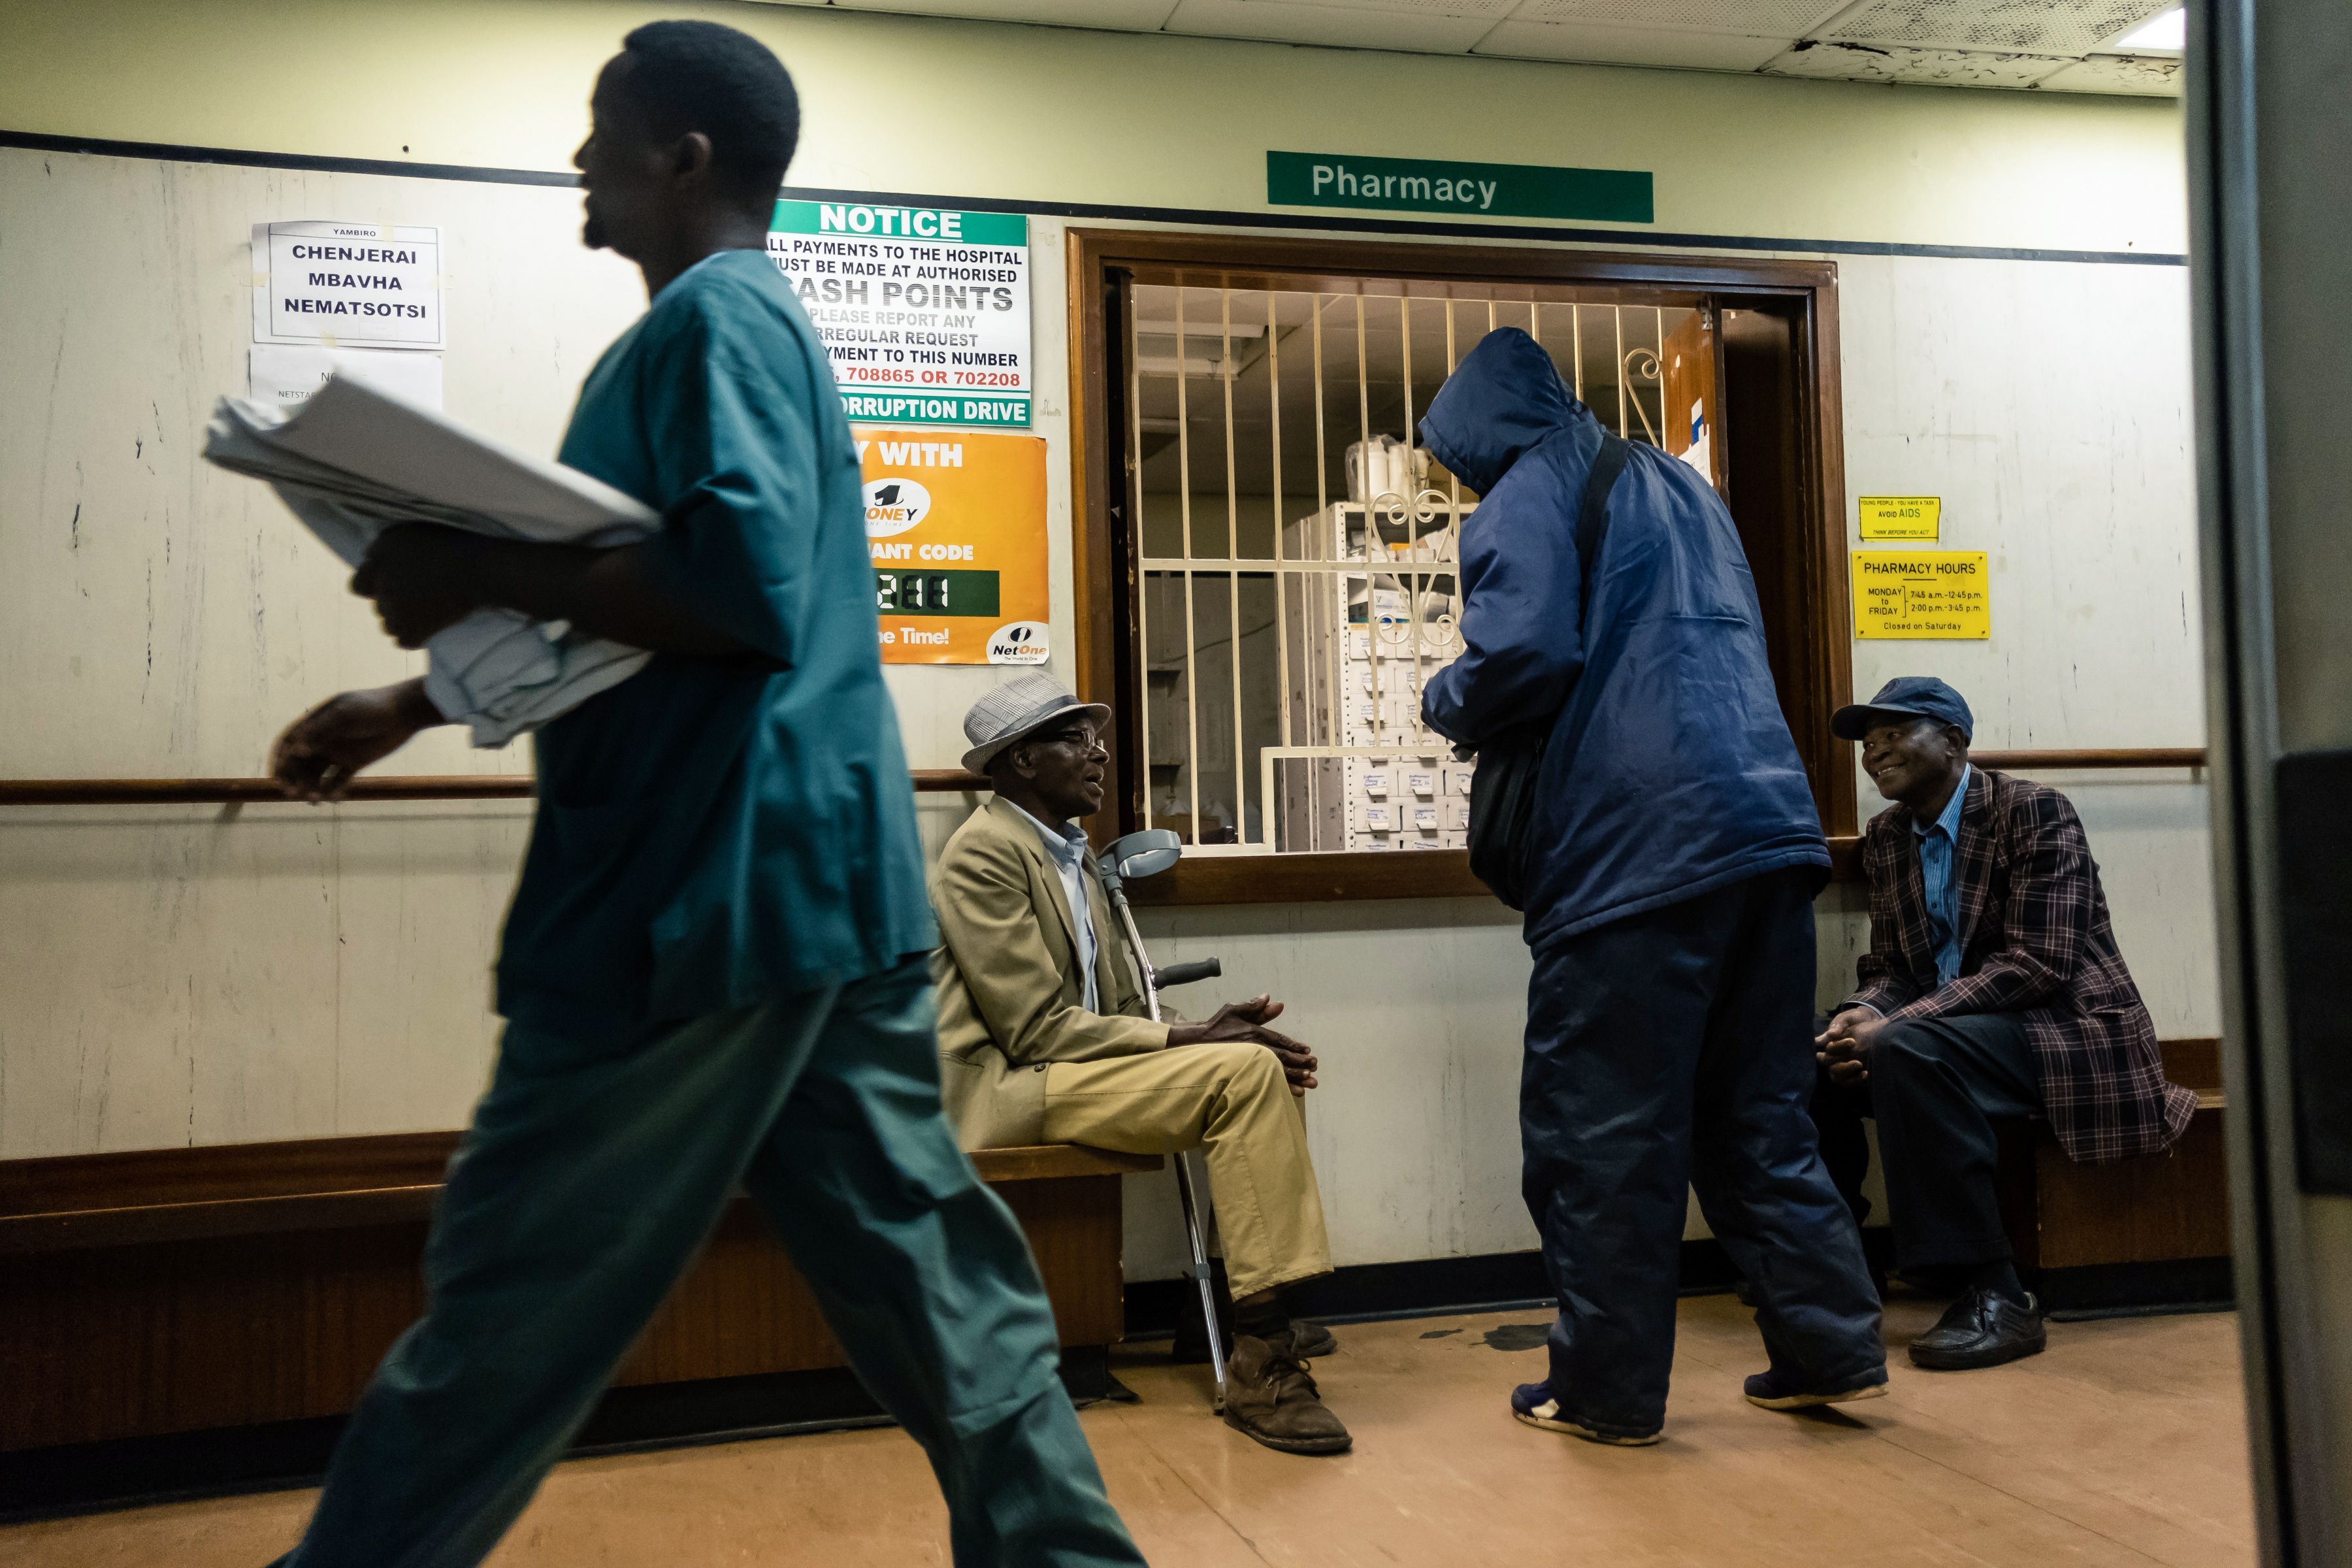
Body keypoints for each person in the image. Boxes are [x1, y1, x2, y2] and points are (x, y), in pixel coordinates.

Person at [260, 25, 1145, 1567]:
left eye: (602, 133)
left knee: (517, 1287)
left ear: (681, 156)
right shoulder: (752, 331)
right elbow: (655, 607)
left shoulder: (710, 325)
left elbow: (731, 591)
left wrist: (460, 560)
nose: (577, 162)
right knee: (936, 1279)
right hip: (825, 884)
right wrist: (411, 699)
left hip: (701, 899)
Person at [1418, 328, 1884, 1446]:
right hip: (1767, 829)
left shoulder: (1532, 486)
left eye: (1456, 460)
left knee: (1604, 1135)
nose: (1462, 481)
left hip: (1636, 848)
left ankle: (1604, 1393)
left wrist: (1444, 697)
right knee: (1759, 1114)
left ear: (1479, 435)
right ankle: (1830, 1350)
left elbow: (1524, 651)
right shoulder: (1683, 483)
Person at [930, 672, 1352, 1457]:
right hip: (1011, 1086)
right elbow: (1033, 1030)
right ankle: (1262, 1361)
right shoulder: (984, 854)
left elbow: (1120, 1013)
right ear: (1020, 762)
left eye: (1095, 740)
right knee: (1240, 1069)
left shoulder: (1073, 856)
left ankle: (1230, 1315)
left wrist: (1206, 1029)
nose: (1097, 756)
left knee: (1262, 1063)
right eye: (1074, 741)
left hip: (1068, 1067)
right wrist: (1194, 1043)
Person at [1813, 677, 2197, 1370]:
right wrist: (1859, 1013)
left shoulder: (2036, 810)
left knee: (1908, 1047)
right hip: (1954, 1035)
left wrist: (1896, 1026)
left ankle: (1995, 1293)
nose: (1875, 754)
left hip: (2067, 1031)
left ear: (1955, 743)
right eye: (1868, 744)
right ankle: (1840, 1264)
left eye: (1895, 735)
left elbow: (2039, 965)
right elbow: (1893, 968)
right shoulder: (1887, 836)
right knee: (1807, 1048)